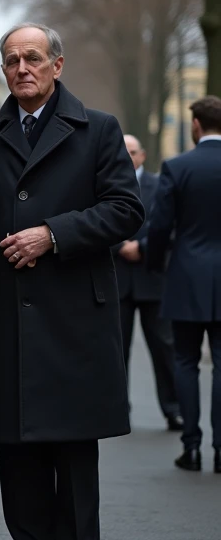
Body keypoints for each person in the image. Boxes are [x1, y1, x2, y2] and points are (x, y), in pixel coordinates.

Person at [0, 23, 142, 540]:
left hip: (74, 312)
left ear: (57, 65)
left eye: (34, 58)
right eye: (12, 60)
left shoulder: (97, 129)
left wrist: (53, 234)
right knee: (16, 442)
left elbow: (125, 209)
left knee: (72, 445)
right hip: (6, 310)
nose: (22, 68)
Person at [146, 95, 221, 473]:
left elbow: (160, 226)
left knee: (186, 361)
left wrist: (155, 262)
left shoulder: (177, 166)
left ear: (195, 125)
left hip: (187, 274)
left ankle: (191, 447)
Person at [113, 134, 182, 431]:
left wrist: (141, 247)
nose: (127, 157)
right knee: (116, 349)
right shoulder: (105, 183)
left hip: (153, 277)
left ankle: (173, 409)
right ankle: (116, 409)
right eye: (122, 152)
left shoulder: (160, 183)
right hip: (117, 279)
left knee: (164, 348)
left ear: (142, 156)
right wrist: (119, 247)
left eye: (132, 152)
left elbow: (170, 220)